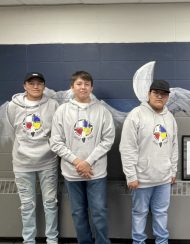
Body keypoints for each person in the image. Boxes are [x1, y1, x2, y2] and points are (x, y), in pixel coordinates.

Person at [50, 71, 115, 244]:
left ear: (91, 87)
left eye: (87, 84)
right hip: (72, 172)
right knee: (78, 213)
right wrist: (78, 162)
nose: (83, 87)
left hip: (96, 172)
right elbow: (55, 142)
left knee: (99, 211)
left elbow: (108, 140)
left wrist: (88, 162)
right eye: (79, 84)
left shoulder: (102, 111)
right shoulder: (62, 111)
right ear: (72, 87)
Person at [119, 79, 178, 244]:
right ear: (149, 94)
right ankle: (138, 242)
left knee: (161, 213)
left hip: (164, 178)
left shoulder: (170, 118)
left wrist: (173, 171)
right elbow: (127, 148)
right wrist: (131, 175)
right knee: (139, 213)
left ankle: (162, 242)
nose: (159, 96)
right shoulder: (136, 115)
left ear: (167, 97)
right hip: (141, 179)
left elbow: (174, 146)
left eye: (164, 94)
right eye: (156, 92)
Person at [6, 72, 59, 244]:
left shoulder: (53, 104)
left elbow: (57, 132)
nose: (35, 86)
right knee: (27, 205)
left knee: (50, 203)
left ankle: (52, 239)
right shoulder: (13, 106)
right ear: (25, 86)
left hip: (48, 161)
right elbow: (13, 132)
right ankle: (28, 241)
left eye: (39, 83)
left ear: (44, 86)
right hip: (22, 164)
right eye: (31, 83)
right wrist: (24, 149)